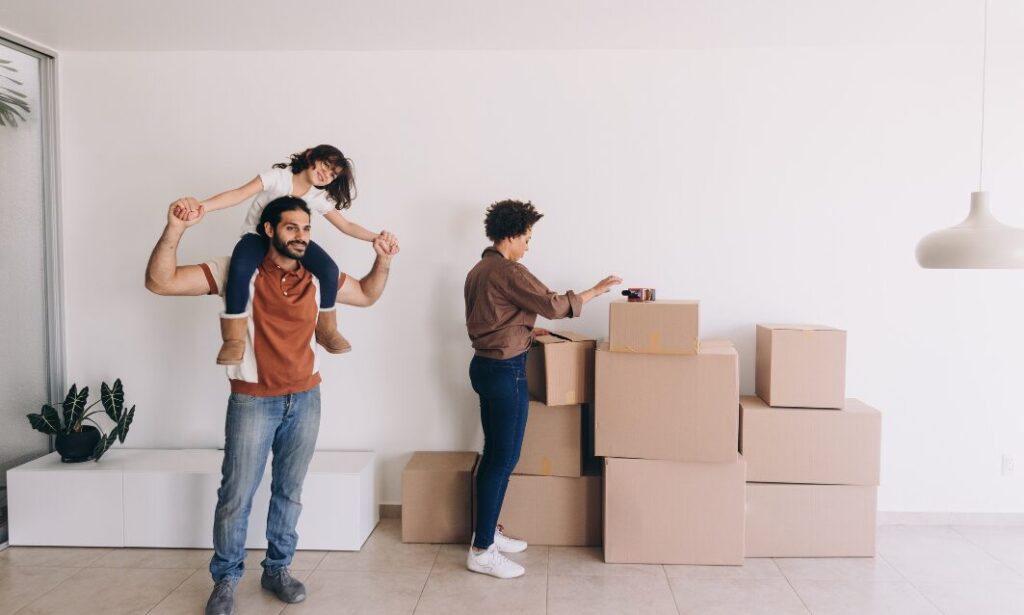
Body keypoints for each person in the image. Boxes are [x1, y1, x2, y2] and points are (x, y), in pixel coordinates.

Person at [145, 196, 398, 615]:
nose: (300, 236)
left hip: (306, 400)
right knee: (236, 496)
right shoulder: (233, 271)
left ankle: (277, 569)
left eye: (306, 229)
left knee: (289, 492)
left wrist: (383, 260)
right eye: (291, 228)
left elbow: (368, 294)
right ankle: (226, 579)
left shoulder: (318, 276)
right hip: (252, 401)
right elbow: (161, 282)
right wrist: (175, 229)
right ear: (269, 230)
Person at [463, 199, 621, 579]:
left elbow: (492, 319)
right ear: (513, 235)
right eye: (527, 238)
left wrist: (525, 330)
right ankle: (482, 550)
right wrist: (596, 290)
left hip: (484, 366)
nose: (528, 245)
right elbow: (552, 305)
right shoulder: (509, 270)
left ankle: (487, 534)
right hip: (506, 372)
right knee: (503, 459)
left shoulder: (478, 269)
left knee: (494, 456)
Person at [171, 144, 396, 364]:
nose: (325, 174)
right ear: (310, 156)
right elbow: (239, 194)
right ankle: (234, 339)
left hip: (291, 242)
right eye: (324, 165)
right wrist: (203, 206)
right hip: (258, 236)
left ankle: (327, 329)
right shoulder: (278, 177)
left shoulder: (318, 197)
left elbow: (346, 226)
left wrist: (376, 237)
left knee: (329, 270)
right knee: (240, 269)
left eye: (332, 174)